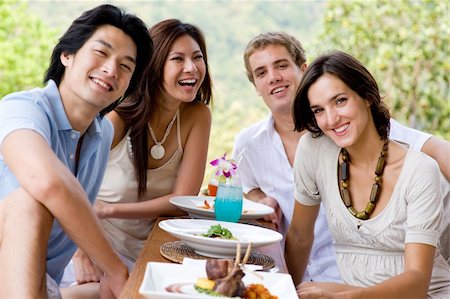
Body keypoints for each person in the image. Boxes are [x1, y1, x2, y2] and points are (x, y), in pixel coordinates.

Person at [232, 32, 450, 283]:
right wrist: (260, 199)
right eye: (261, 73)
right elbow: (249, 189)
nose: (273, 77)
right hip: (300, 276)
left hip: (355, 276)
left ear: (303, 69)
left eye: (281, 65)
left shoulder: (361, 127)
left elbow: (435, 148)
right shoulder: (249, 144)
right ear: (255, 87)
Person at [0, 4, 152, 298]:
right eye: (101, 53)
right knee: (29, 202)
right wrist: (113, 268)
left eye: (125, 66)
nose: (111, 70)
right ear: (67, 55)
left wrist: (118, 275)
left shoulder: (102, 132)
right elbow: (48, 183)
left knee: (141, 287)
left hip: (45, 284)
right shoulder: (21, 108)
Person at [60, 19, 212, 297]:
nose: (191, 68)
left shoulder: (197, 115)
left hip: (158, 250)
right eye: (177, 59)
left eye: (197, 57)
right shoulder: (116, 120)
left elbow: (182, 200)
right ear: (153, 66)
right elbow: (68, 187)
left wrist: (109, 209)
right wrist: (80, 253)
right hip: (97, 250)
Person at [286, 50, 450, 298]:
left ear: (367, 97)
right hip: (357, 292)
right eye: (319, 110)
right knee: (302, 291)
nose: (331, 119)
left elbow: (417, 283)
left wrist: (343, 297)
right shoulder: (314, 150)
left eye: (340, 101)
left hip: (423, 295)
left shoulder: (419, 170)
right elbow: (299, 236)